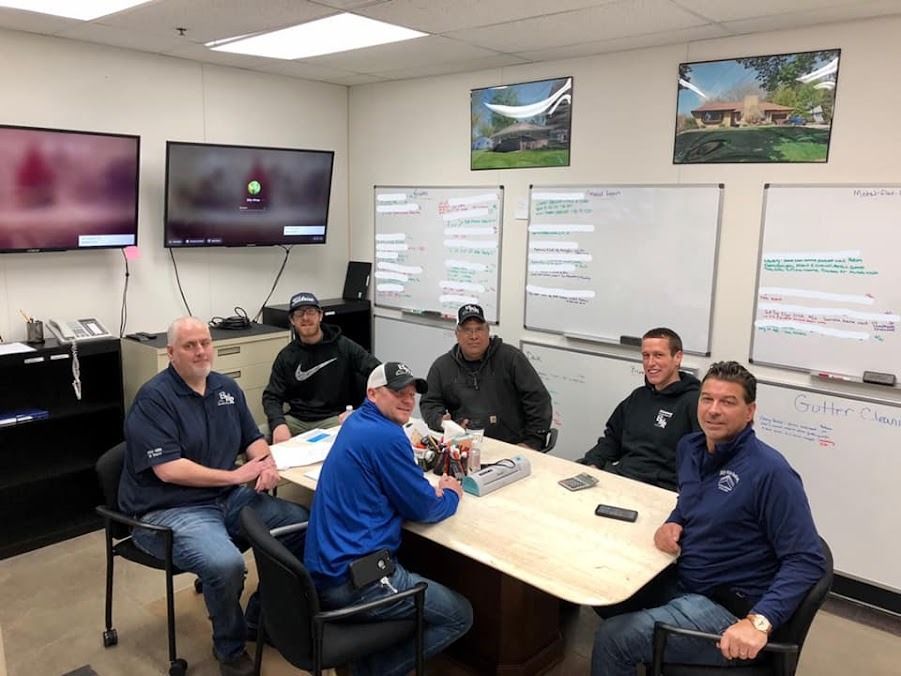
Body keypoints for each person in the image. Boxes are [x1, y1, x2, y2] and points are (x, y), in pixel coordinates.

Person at [591, 361, 826, 676]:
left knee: (614, 639)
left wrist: (758, 622)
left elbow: (807, 560)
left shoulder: (771, 472)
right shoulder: (690, 448)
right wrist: (675, 520)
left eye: (728, 402)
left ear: (750, 411)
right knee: (606, 594)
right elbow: (690, 499)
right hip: (687, 579)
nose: (713, 410)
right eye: (707, 399)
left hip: (726, 607)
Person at [119, 317, 309, 676]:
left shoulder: (226, 388)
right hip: (168, 509)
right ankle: (230, 649)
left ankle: (258, 616)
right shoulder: (153, 399)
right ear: (171, 353)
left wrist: (264, 462)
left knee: (302, 523)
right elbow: (169, 469)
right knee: (225, 565)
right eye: (189, 346)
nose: (201, 351)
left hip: (225, 498)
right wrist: (237, 475)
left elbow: (252, 438)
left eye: (205, 342)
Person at [304, 362, 473, 676]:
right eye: (398, 392)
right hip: (354, 581)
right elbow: (426, 508)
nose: (408, 400)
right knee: (460, 615)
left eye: (412, 394)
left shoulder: (356, 422)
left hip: (326, 567)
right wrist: (451, 493)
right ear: (372, 393)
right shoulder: (386, 437)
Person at [579, 327, 700, 490]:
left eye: (658, 355)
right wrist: (592, 463)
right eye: (646, 356)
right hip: (621, 478)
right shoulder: (638, 397)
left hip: (660, 488)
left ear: (677, 357)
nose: (650, 363)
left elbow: (700, 460)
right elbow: (612, 439)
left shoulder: (695, 403)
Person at [420, 303, 552, 449]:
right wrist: (441, 421)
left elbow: (539, 400)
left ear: (488, 331)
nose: (474, 336)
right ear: (457, 334)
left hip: (512, 446)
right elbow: (429, 403)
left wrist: (532, 441)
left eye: (479, 329)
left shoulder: (511, 358)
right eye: (467, 330)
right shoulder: (442, 367)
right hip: (463, 447)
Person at [262, 291, 379, 443]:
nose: (305, 318)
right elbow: (271, 396)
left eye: (310, 312)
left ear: (320, 316)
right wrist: (278, 424)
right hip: (297, 420)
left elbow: (379, 374)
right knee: (255, 437)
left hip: (333, 418)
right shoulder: (286, 356)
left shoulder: (344, 346)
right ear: (292, 320)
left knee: (361, 436)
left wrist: (361, 411)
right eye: (299, 314)